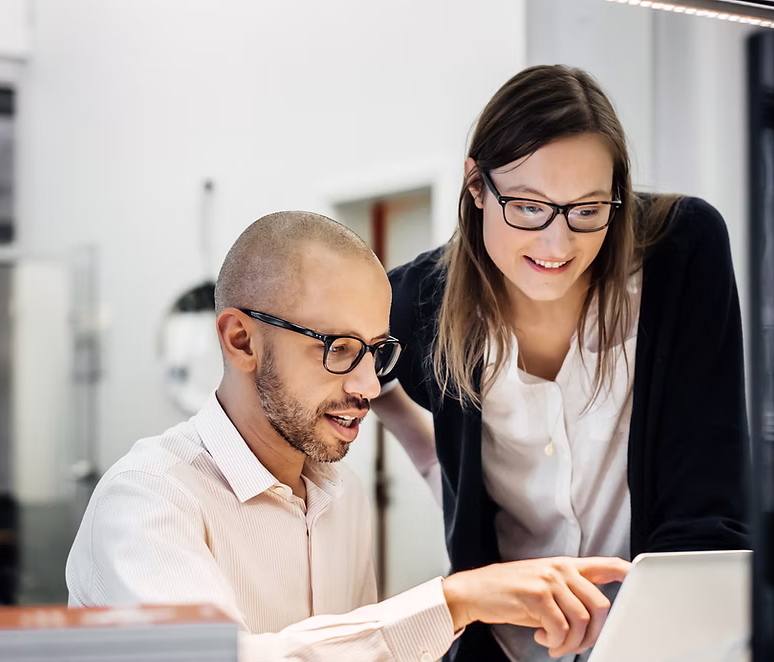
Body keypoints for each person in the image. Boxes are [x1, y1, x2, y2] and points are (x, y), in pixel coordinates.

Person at [65, 211, 631, 662]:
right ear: (241, 340)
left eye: (377, 351)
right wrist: (457, 599)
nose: (367, 385)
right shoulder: (147, 499)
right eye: (338, 348)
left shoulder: (343, 495)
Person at [372, 65, 750, 662]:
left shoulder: (682, 254)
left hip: (658, 643)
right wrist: (416, 443)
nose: (558, 245)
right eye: (528, 207)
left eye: (587, 209)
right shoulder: (418, 302)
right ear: (476, 186)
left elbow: (707, 503)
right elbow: (315, 364)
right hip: (500, 648)